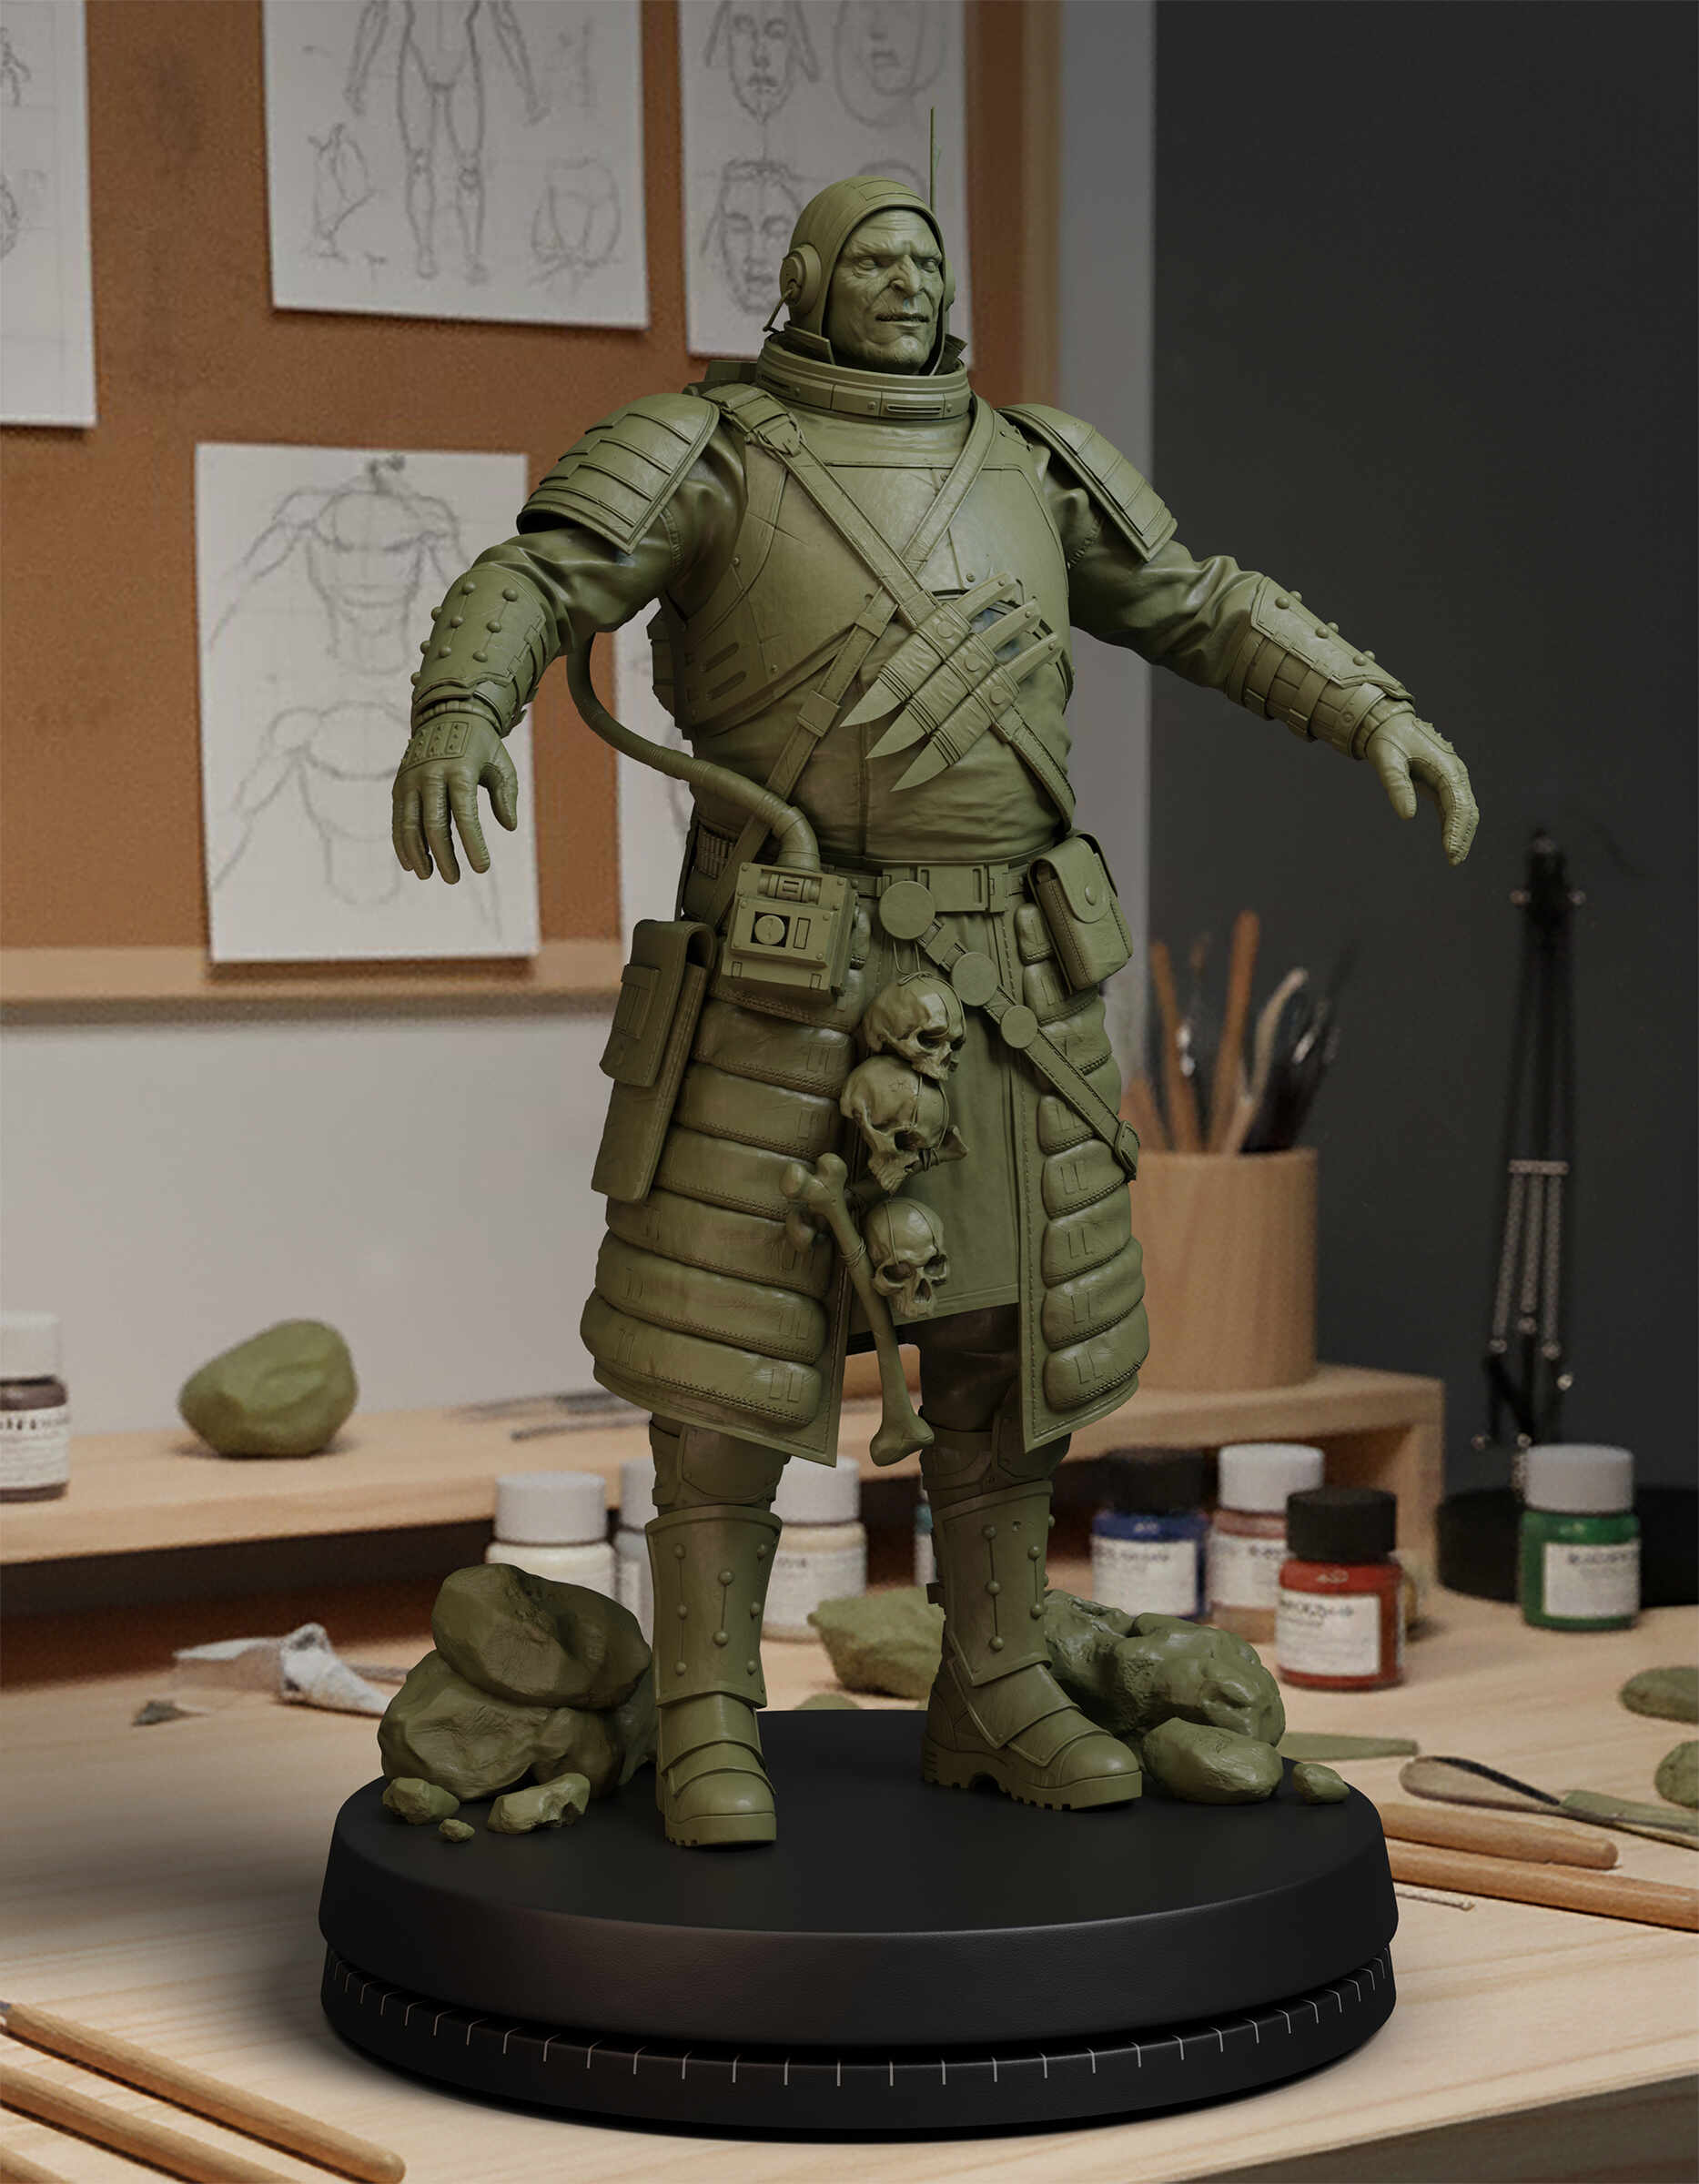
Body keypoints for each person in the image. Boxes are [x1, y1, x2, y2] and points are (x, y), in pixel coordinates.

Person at [389, 176, 1477, 1848]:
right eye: (874, 260)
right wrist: (462, 707)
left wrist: (1368, 706)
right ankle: (707, 1715)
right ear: (808, 281)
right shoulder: (709, 450)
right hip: (782, 967)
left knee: (1006, 1353)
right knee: (724, 1367)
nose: (906, 283)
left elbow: (1200, 603)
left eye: (925, 259)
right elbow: (544, 574)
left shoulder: (1032, 463)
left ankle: (997, 1685)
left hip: (1009, 971)